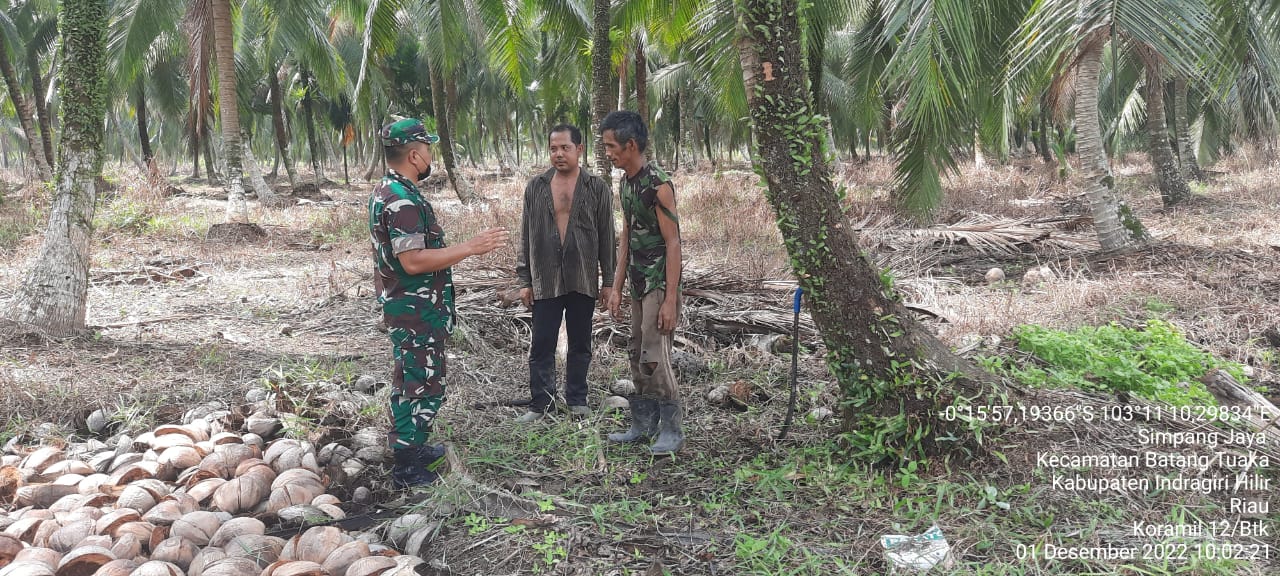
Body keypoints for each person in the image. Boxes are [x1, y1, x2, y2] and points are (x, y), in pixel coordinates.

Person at [367, 118, 508, 487]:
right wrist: (469, 247)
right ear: (414, 155)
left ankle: (410, 449)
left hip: (411, 307)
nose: (431, 155)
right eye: (427, 148)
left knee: (412, 379)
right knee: (422, 383)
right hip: (416, 311)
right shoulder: (400, 200)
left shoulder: (389, 191)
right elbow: (413, 261)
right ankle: (407, 467)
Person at [513, 124, 617, 422]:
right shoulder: (536, 186)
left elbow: (607, 237)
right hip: (545, 279)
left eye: (565, 148)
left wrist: (608, 281)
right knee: (542, 342)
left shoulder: (596, 188)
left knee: (580, 341)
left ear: (579, 149)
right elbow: (525, 235)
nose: (558, 154)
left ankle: (577, 400)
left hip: (582, 277)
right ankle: (540, 403)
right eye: (553, 148)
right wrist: (524, 280)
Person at [601, 111, 685, 456]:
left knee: (654, 352)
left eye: (611, 146)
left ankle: (671, 429)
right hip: (636, 280)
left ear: (630, 145)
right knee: (636, 350)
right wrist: (617, 287)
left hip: (658, 283)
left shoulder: (658, 185)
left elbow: (674, 243)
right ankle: (644, 423)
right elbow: (625, 238)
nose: (608, 153)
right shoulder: (626, 183)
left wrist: (669, 300)